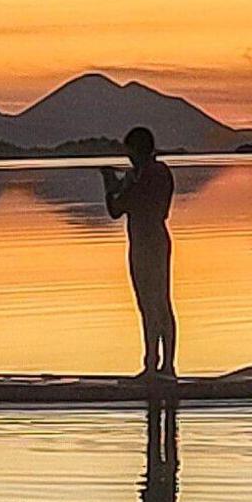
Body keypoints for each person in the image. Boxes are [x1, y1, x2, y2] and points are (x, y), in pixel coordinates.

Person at [101, 126, 177, 377]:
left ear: (138, 150)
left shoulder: (146, 176)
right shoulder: (157, 172)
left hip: (148, 244)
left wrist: (110, 186)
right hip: (154, 241)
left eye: (130, 152)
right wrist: (122, 184)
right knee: (160, 303)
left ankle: (156, 368)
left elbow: (116, 208)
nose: (128, 157)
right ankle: (162, 366)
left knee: (151, 304)